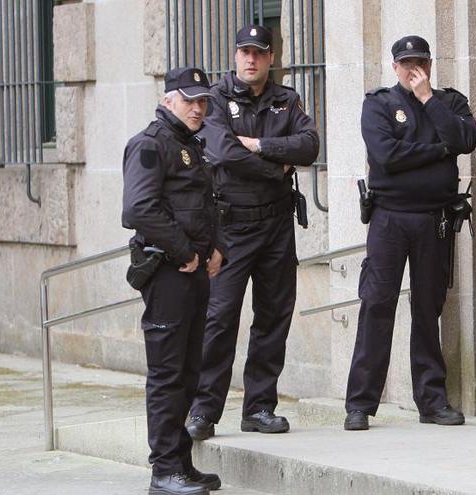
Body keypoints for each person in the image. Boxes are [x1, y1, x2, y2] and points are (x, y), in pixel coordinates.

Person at [185, 25, 319, 440]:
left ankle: (259, 407)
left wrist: (260, 146)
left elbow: (310, 146)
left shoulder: (287, 100)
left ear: (270, 58)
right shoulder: (217, 98)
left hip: (277, 224)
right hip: (231, 225)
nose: (250, 60)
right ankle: (204, 411)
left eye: (259, 53)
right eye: (244, 52)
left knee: (273, 316)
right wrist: (276, 167)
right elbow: (223, 150)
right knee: (219, 319)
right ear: (236, 54)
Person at [343, 35, 476, 431]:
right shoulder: (379, 104)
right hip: (389, 219)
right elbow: (386, 157)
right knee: (376, 305)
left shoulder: (449, 103)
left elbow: (464, 141)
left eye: (419, 62)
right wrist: (438, 150)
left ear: (430, 64)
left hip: (434, 219)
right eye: (406, 64)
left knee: (428, 308)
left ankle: (432, 401)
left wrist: (428, 102)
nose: (412, 70)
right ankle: (360, 404)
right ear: (394, 66)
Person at [122, 67, 223, 495]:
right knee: (167, 374)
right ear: (168, 101)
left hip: (194, 270)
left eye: (203, 101)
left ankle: (181, 463)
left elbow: (203, 205)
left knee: (188, 371)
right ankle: (163, 470)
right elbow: (139, 210)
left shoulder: (190, 145)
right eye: (189, 100)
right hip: (168, 272)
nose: (198, 108)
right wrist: (185, 253)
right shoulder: (150, 144)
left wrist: (216, 249)